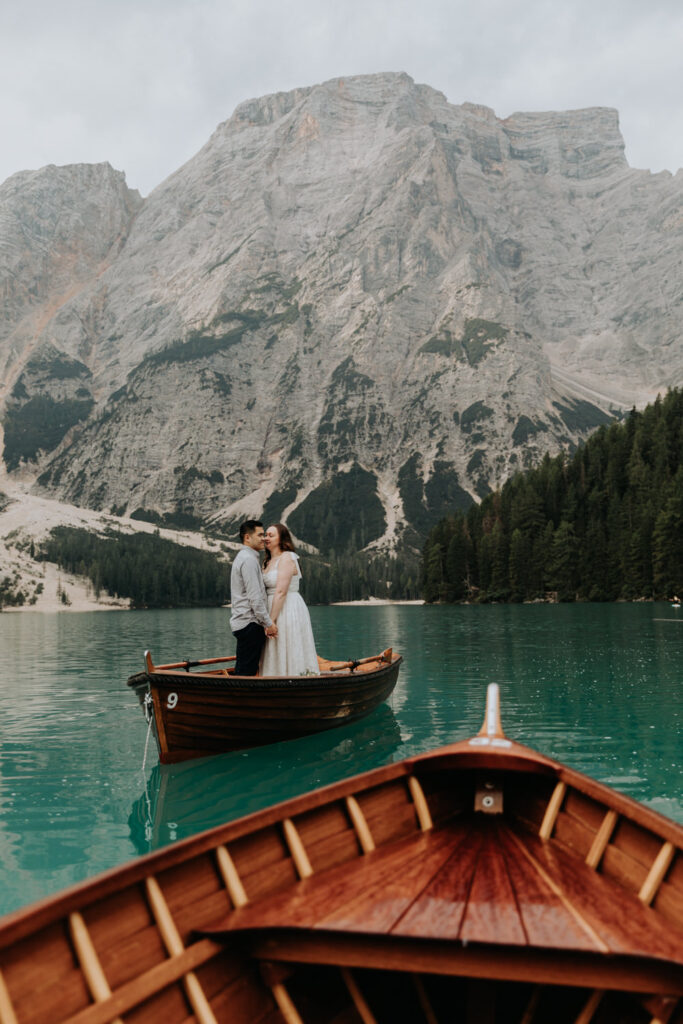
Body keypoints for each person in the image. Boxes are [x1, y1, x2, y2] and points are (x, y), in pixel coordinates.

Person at [260, 523, 319, 676]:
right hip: (271, 608)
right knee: (274, 647)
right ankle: (273, 678)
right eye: (265, 535)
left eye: (271, 535)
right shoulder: (267, 561)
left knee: (287, 641)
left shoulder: (287, 557)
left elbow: (281, 591)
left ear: (282, 539)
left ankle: (295, 677)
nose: (266, 538)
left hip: (287, 607)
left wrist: (270, 621)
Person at [230, 520, 277, 675]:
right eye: (260, 535)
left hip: (244, 623)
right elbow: (255, 597)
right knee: (246, 672)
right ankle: (239, 698)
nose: (263, 538)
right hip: (250, 623)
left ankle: (238, 697)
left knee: (244, 668)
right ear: (247, 538)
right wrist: (268, 623)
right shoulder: (249, 560)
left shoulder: (245, 557)